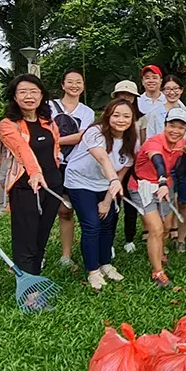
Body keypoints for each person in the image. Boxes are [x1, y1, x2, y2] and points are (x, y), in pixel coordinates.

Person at [66, 99, 137, 291]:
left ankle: (106, 264)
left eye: (126, 116)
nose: (120, 120)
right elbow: (103, 158)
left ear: (132, 119)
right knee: (91, 224)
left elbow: (122, 173)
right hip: (80, 181)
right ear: (107, 115)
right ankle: (93, 271)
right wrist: (113, 180)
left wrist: (107, 200)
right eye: (116, 115)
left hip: (106, 185)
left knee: (107, 223)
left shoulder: (132, 141)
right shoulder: (94, 132)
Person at [0, 74, 63, 277]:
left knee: (42, 234)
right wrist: (34, 173)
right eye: (23, 92)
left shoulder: (49, 123)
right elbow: (21, 149)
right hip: (26, 187)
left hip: (52, 186)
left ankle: (35, 275)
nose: (29, 96)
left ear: (42, 95)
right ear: (15, 97)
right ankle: (28, 286)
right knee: (25, 235)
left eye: (34, 91)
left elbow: (56, 150)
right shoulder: (8, 124)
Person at [129, 108, 186, 289]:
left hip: (166, 185)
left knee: (166, 226)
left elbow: (180, 171)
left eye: (180, 127)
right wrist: (162, 181)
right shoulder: (154, 143)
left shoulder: (182, 143)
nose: (175, 131)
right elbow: (157, 161)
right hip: (143, 186)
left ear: (185, 129)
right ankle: (157, 272)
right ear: (165, 125)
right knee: (155, 229)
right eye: (172, 125)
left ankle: (159, 252)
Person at [147, 75, 186, 252]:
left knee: (183, 202)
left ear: (181, 90)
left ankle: (181, 239)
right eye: (168, 89)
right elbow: (151, 139)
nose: (172, 92)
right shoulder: (155, 113)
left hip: (184, 162)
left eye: (176, 88)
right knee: (164, 202)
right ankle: (163, 239)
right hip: (163, 164)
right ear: (163, 91)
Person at [50, 70, 96, 270]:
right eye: (70, 82)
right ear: (63, 85)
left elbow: (81, 137)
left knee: (66, 211)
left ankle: (66, 256)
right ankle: (36, 254)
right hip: (49, 165)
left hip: (72, 165)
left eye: (79, 82)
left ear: (84, 86)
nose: (74, 85)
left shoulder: (87, 112)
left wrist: (52, 142)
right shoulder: (48, 106)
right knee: (42, 212)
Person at [111, 80, 146, 254]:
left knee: (131, 202)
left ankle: (129, 238)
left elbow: (143, 142)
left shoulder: (141, 118)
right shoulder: (110, 117)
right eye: (122, 95)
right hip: (112, 166)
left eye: (129, 95)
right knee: (113, 202)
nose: (126, 98)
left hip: (134, 167)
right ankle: (108, 240)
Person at [137, 65, 166, 135]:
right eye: (147, 78)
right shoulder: (137, 101)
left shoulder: (169, 101)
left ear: (161, 81)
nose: (151, 80)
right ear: (143, 82)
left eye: (154, 77)